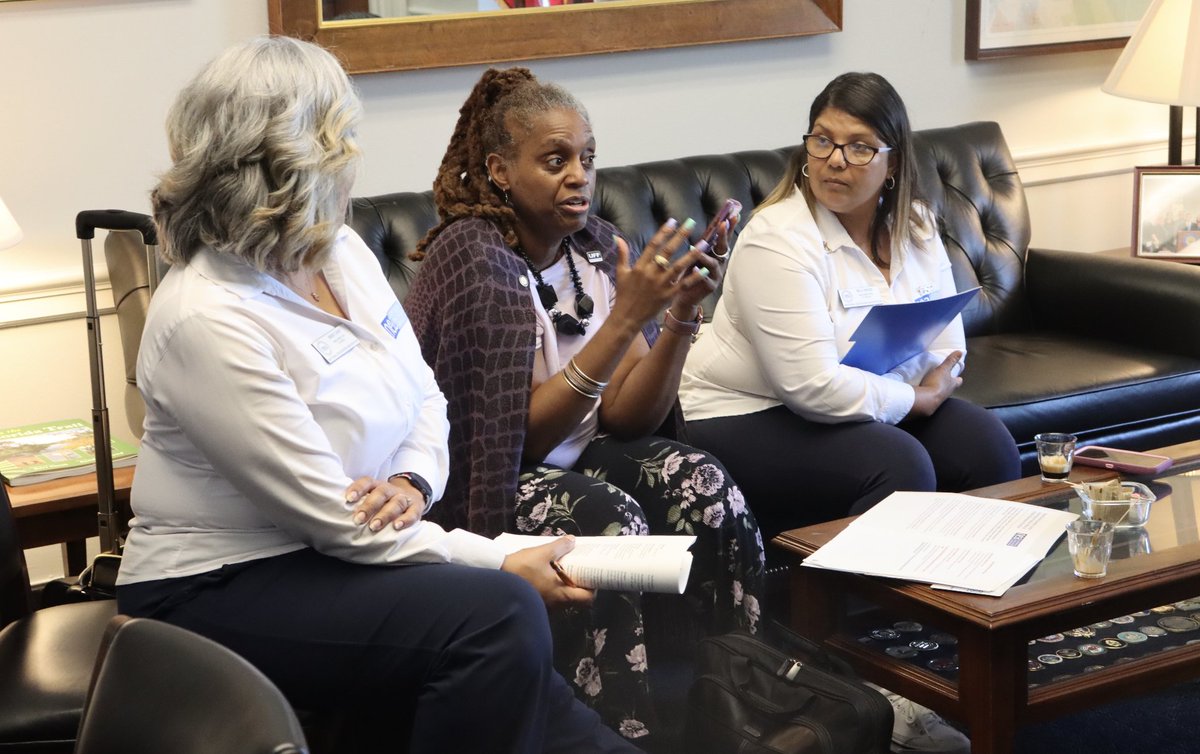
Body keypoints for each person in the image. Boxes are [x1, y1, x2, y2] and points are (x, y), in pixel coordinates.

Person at [114, 36, 640, 754]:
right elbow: (334, 520)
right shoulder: (205, 317)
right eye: (343, 135)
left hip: (341, 551)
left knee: (548, 703)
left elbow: (425, 395)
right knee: (496, 615)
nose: (353, 153)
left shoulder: (338, 249)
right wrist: (497, 557)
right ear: (293, 157)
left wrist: (412, 479)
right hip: (217, 584)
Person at [403, 67, 765, 744]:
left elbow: (631, 417)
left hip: (581, 458)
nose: (579, 176)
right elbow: (517, 443)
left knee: (707, 486)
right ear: (499, 171)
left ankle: (741, 709)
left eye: (587, 159)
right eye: (555, 160)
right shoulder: (474, 261)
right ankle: (620, 734)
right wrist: (626, 318)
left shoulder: (595, 247)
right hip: (488, 486)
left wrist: (682, 316)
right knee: (608, 525)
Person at [679, 72, 1016, 753]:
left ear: (894, 161)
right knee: (898, 463)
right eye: (824, 141)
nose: (836, 160)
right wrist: (911, 398)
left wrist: (927, 389)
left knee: (988, 445)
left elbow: (946, 340)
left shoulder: (916, 223)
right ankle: (876, 675)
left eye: (860, 147)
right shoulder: (777, 237)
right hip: (738, 412)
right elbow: (807, 386)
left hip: (862, 395)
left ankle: (968, 647)